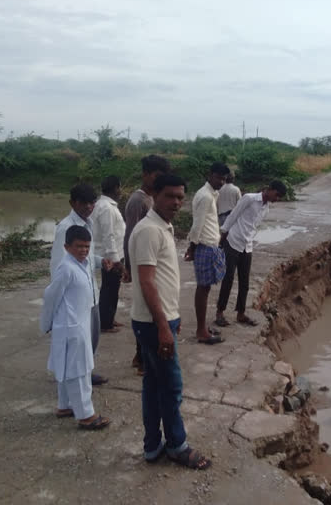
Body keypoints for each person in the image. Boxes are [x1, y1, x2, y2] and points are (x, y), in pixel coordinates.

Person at [129, 173, 212, 470]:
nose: (176, 202)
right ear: (154, 194)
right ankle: (177, 446)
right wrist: (164, 327)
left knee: (154, 386)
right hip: (154, 323)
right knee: (172, 387)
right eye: (169, 196)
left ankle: (153, 447)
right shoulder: (149, 230)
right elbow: (147, 282)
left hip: (159, 321)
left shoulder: (162, 227)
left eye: (180, 197)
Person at [41, 225, 112, 430]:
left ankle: (64, 406)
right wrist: (46, 323)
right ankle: (86, 415)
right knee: (79, 372)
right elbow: (50, 297)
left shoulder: (83, 263)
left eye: (87, 246)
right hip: (70, 327)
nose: (83, 250)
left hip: (78, 324)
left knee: (68, 369)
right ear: (67, 246)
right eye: (79, 246)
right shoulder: (66, 268)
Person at [50, 183, 110, 386]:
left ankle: (85, 372)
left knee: (91, 338)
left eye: (92, 202)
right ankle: (72, 381)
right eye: (83, 203)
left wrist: (101, 261)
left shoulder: (87, 224)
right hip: (75, 298)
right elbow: (59, 266)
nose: (88, 207)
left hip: (91, 293)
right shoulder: (66, 228)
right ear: (72, 203)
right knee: (77, 342)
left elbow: (83, 255)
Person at [215, 180, 287, 328]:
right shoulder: (249, 198)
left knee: (244, 282)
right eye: (277, 195)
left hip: (247, 246)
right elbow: (233, 216)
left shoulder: (266, 208)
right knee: (228, 279)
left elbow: (253, 227)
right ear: (270, 189)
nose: (277, 199)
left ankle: (240, 313)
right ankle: (220, 313)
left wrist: (249, 241)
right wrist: (222, 237)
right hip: (233, 241)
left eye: (279, 197)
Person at [123, 155, 170, 374]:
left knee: (152, 308)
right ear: (146, 175)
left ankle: (140, 356)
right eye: (157, 176)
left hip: (152, 263)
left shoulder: (153, 199)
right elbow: (130, 234)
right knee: (145, 309)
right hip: (141, 263)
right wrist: (129, 267)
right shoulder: (138, 200)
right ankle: (141, 358)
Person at [184, 162, 230, 345]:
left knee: (206, 287)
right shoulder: (204, 196)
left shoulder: (212, 194)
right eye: (219, 178)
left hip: (210, 245)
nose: (221, 182)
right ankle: (201, 331)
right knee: (203, 288)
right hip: (204, 245)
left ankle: (202, 327)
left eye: (224, 179)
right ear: (210, 175)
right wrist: (192, 247)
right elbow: (198, 224)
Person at [89, 176, 126, 334]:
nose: (120, 191)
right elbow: (108, 235)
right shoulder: (106, 208)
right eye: (119, 188)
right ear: (115, 188)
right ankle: (105, 323)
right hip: (110, 255)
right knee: (109, 289)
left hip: (112, 253)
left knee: (112, 288)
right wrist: (116, 260)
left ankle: (109, 318)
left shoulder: (106, 205)